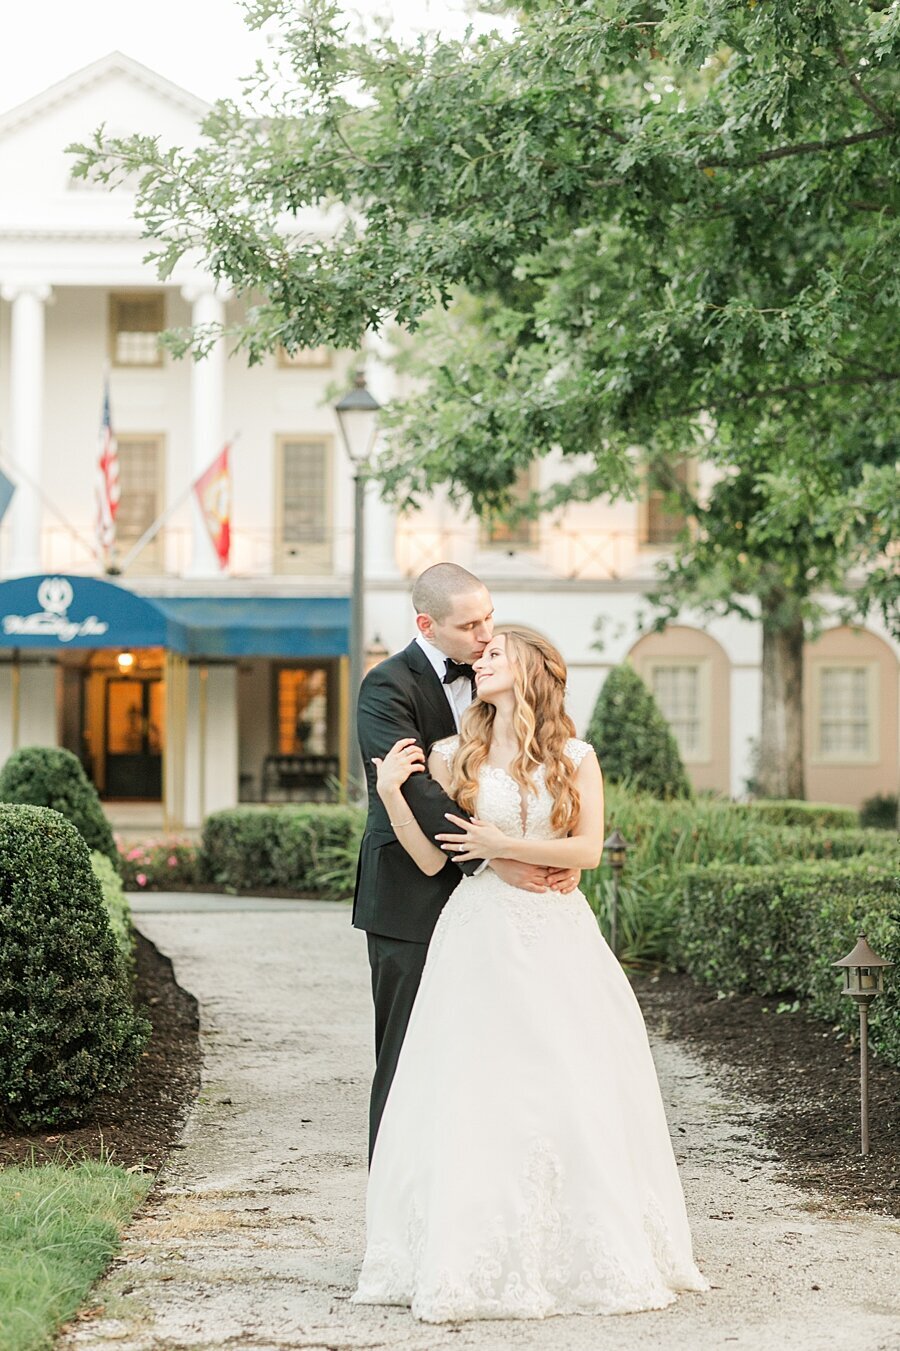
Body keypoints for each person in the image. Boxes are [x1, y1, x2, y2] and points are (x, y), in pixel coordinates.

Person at [352, 627, 708, 1322]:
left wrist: (499, 843)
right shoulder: (457, 753)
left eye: (493, 654)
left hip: (557, 934)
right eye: (478, 654)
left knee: (570, 1080)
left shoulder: (576, 756)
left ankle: (574, 1247)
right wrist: (394, 794)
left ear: (532, 671)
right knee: (480, 1088)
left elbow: (586, 849)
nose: (479, 661)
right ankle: (473, 1247)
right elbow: (433, 862)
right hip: (479, 932)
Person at [353, 565, 579, 1161]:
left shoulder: (496, 681)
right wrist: (496, 858)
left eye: (490, 619)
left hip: (504, 905)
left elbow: (536, 778)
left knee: (492, 1058)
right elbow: (421, 791)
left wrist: (548, 849)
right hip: (412, 893)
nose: (485, 635)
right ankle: (393, 1213)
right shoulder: (386, 686)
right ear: (427, 625)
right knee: (405, 1057)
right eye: (470, 625)